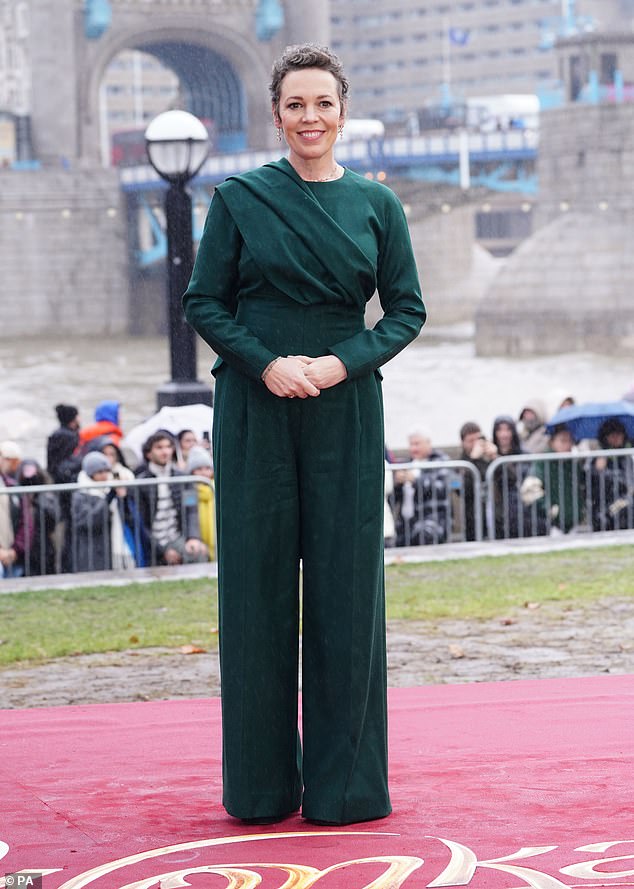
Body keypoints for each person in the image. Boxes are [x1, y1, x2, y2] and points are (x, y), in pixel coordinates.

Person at [182, 44, 426, 825]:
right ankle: (258, 788)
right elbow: (203, 302)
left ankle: (346, 788)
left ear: (343, 113)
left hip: (345, 405)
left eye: (323, 103)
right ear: (277, 114)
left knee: (347, 594)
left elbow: (407, 311)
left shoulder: (376, 206)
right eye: (296, 105)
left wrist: (339, 362)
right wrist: (266, 364)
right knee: (254, 593)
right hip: (255, 406)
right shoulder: (239, 198)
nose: (310, 118)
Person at [135, 431, 208, 566]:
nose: (165, 451)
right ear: (148, 453)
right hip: (153, 542)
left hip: (176, 536)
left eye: (168, 447)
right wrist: (162, 551)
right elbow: (140, 523)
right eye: (159, 447)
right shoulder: (140, 482)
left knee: (198, 551)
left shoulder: (183, 478)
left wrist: (193, 537)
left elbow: (191, 508)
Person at [71, 451, 137, 572]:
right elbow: (89, 521)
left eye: (107, 471)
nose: (105, 475)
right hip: (93, 550)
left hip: (114, 546)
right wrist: (109, 498)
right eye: (100, 472)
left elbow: (129, 517)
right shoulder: (81, 494)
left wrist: (124, 497)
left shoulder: (109, 490)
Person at [388, 431, 451, 546]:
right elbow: (392, 499)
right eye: (411, 444)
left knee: (423, 535)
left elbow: (441, 488)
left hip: (432, 519)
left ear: (428, 443)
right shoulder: (406, 463)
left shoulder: (440, 460)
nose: (414, 448)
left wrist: (416, 481)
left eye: (417, 444)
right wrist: (397, 483)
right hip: (406, 522)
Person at [520, 424, 584, 534]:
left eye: (570, 441)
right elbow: (529, 490)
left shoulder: (574, 463)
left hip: (575, 522)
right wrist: (550, 509)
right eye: (563, 441)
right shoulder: (543, 462)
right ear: (552, 442)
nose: (567, 445)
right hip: (553, 525)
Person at [587, 418, 634, 531]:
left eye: (619, 434)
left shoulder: (626, 456)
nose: (616, 438)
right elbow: (593, 484)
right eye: (612, 434)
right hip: (606, 507)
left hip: (626, 500)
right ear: (605, 437)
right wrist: (598, 470)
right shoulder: (599, 457)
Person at [458, 421, 498, 540]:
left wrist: (495, 457)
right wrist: (473, 459)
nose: (476, 444)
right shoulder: (461, 464)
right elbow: (461, 489)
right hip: (472, 518)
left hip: (496, 515)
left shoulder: (489, 460)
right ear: (462, 443)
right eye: (471, 441)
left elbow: (511, 479)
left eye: (478, 440)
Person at [490, 415, 528, 539]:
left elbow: (516, 477)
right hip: (496, 508)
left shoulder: (523, 454)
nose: (504, 434)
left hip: (517, 509)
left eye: (508, 430)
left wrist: (497, 459)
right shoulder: (488, 454)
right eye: (500, 430)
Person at [185, 446, 215, 561]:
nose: (204, 473)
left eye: (207, 468)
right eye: (199, 469)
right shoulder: (189, 491)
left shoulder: (216, 488)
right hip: (200, 540)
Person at [46, 404, 81, 481]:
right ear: (72, 419)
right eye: (77, 416)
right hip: (65, 477)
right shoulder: (69, 436)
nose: (80, 419)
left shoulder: (58, 433)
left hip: (56, 476)